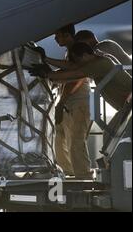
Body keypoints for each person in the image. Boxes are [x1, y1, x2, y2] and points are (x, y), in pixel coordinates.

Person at [32, 25, 93, 179]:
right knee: (59, 138)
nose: (55, 39)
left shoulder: (77, 52)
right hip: (68, 102)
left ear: (67, 35)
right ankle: (69, 171)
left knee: (77, 141)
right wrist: (47, 68)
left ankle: (84, 176)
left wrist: (60, 103)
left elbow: (77, 78)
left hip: (78, 102)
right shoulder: (69, 53)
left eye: (57, 35)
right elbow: (66, 70)